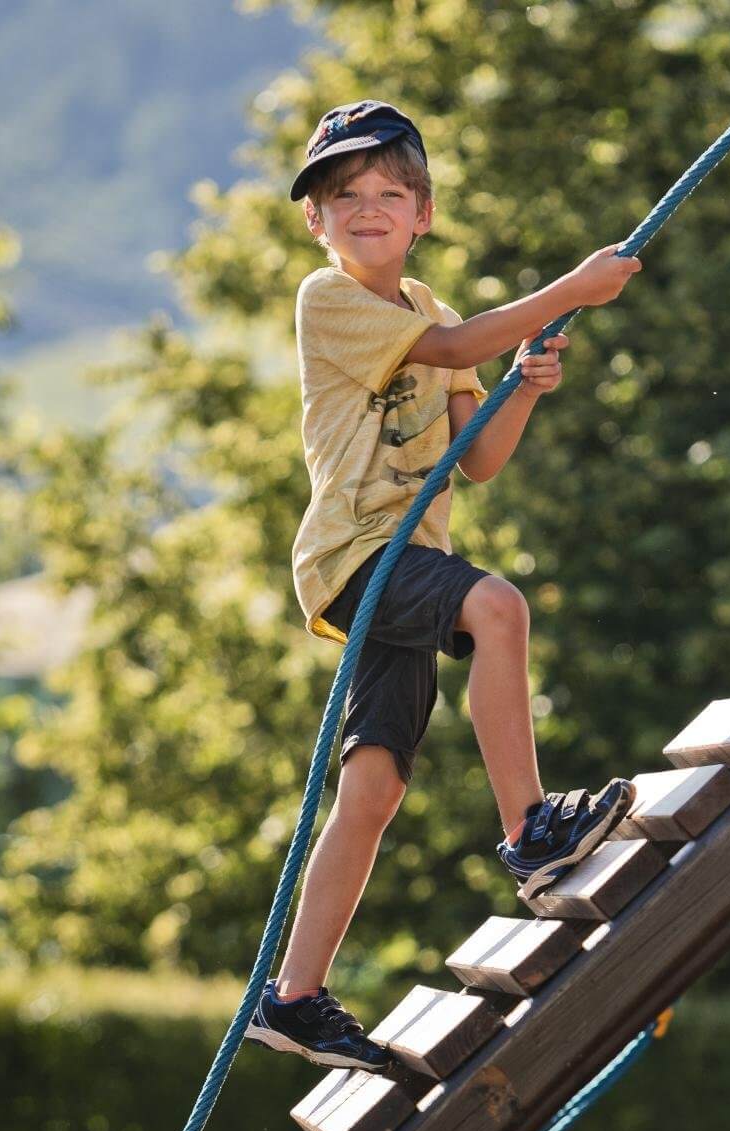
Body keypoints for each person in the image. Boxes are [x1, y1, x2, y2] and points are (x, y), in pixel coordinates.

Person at [243, 100, 642, 1071]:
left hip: (401, 559)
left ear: (422, 213)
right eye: (346, 197)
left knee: (373, 786)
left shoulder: (435, 309)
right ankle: (530, 829)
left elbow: (482, 460)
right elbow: (458, 354)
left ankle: (291, 995)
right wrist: (572, 292)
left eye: (390, 193)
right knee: (497, 604)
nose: (368, 210)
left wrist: (524, 385)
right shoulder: (325, 299)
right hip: (356, 553)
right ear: (316, 221)